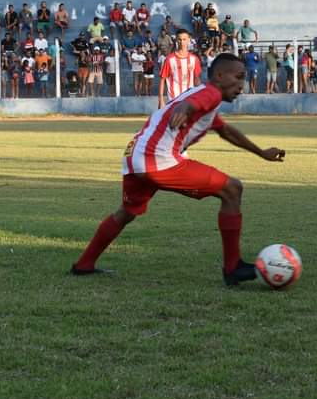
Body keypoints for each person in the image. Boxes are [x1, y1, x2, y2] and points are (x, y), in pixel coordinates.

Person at [71, 54, 286, 285]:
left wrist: (261, 152)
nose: (242, 84)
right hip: (157, 160)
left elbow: (226, 131)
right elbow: (196, 102)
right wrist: (186, 107)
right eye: (239, 77)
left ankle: (84, 264)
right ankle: (233, 268)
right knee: (232, 189)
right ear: (220, 76)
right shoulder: (210, 93)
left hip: (135, 157)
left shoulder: (205, 102)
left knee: (127, 212)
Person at [158, 29, 203, 107]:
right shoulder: (169, 59)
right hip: (173, 99)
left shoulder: (194, 59)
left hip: (189, 99)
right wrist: (161, 100)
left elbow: (197, 79)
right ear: (176, 40)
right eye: (179, 39)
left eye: (184, 39)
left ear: (189, 40)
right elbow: (162, 80)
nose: (182, 42)